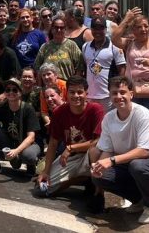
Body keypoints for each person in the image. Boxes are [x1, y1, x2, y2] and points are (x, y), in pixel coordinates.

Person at [90, 76, 149, 223]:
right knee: (99, 176)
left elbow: (144, 151)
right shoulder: (108, 118)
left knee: (137, 165)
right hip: (130, 165)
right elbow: (107, 149)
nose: (118, 96)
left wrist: (111, 160)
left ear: (131, 94)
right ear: (110, 96)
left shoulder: (142, 114)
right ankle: (139, 200)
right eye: (114, 93)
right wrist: (100, 166)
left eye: (122, 92)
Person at [38, 76, 105, 204]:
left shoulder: (96, 109)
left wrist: (70, 148)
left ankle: (98, 193)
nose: (76, 96)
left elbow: (97, 141)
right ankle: (85, 180)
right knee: (43, 188)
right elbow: (53, 143)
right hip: (71, 157)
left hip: (90, 156)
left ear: (87, 93)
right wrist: (46, 171)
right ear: (66, 93)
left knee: (95, 151)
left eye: (80, 92)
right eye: (72, 92)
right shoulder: (59, 112)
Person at [112, 7, 149, 127]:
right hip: (133, 88)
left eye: (145, 26)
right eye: (139, 27)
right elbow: (114, 39)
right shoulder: (129, 43)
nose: (143, 29)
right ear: (133, 30)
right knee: (134, 120)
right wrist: (127, 19)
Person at [83, 17, 126, 111]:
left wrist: (117, 91)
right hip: (90, 95)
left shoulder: (114, 46)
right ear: (91, 29)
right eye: (95, 28)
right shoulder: (85, 46)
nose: (97, 31)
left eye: (100, 28)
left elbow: (122, 70)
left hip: (107, 96)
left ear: (106, 30)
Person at [34, 17, 83, 81]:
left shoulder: (71, 45)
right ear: (52, 29)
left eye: (61, 28)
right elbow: (37, 67)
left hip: (66, 86)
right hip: (49, 87)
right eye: (56, 27)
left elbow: (80, 66)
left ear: (65, 29)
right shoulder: (45, 47)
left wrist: (75, 83)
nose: (59, 30)